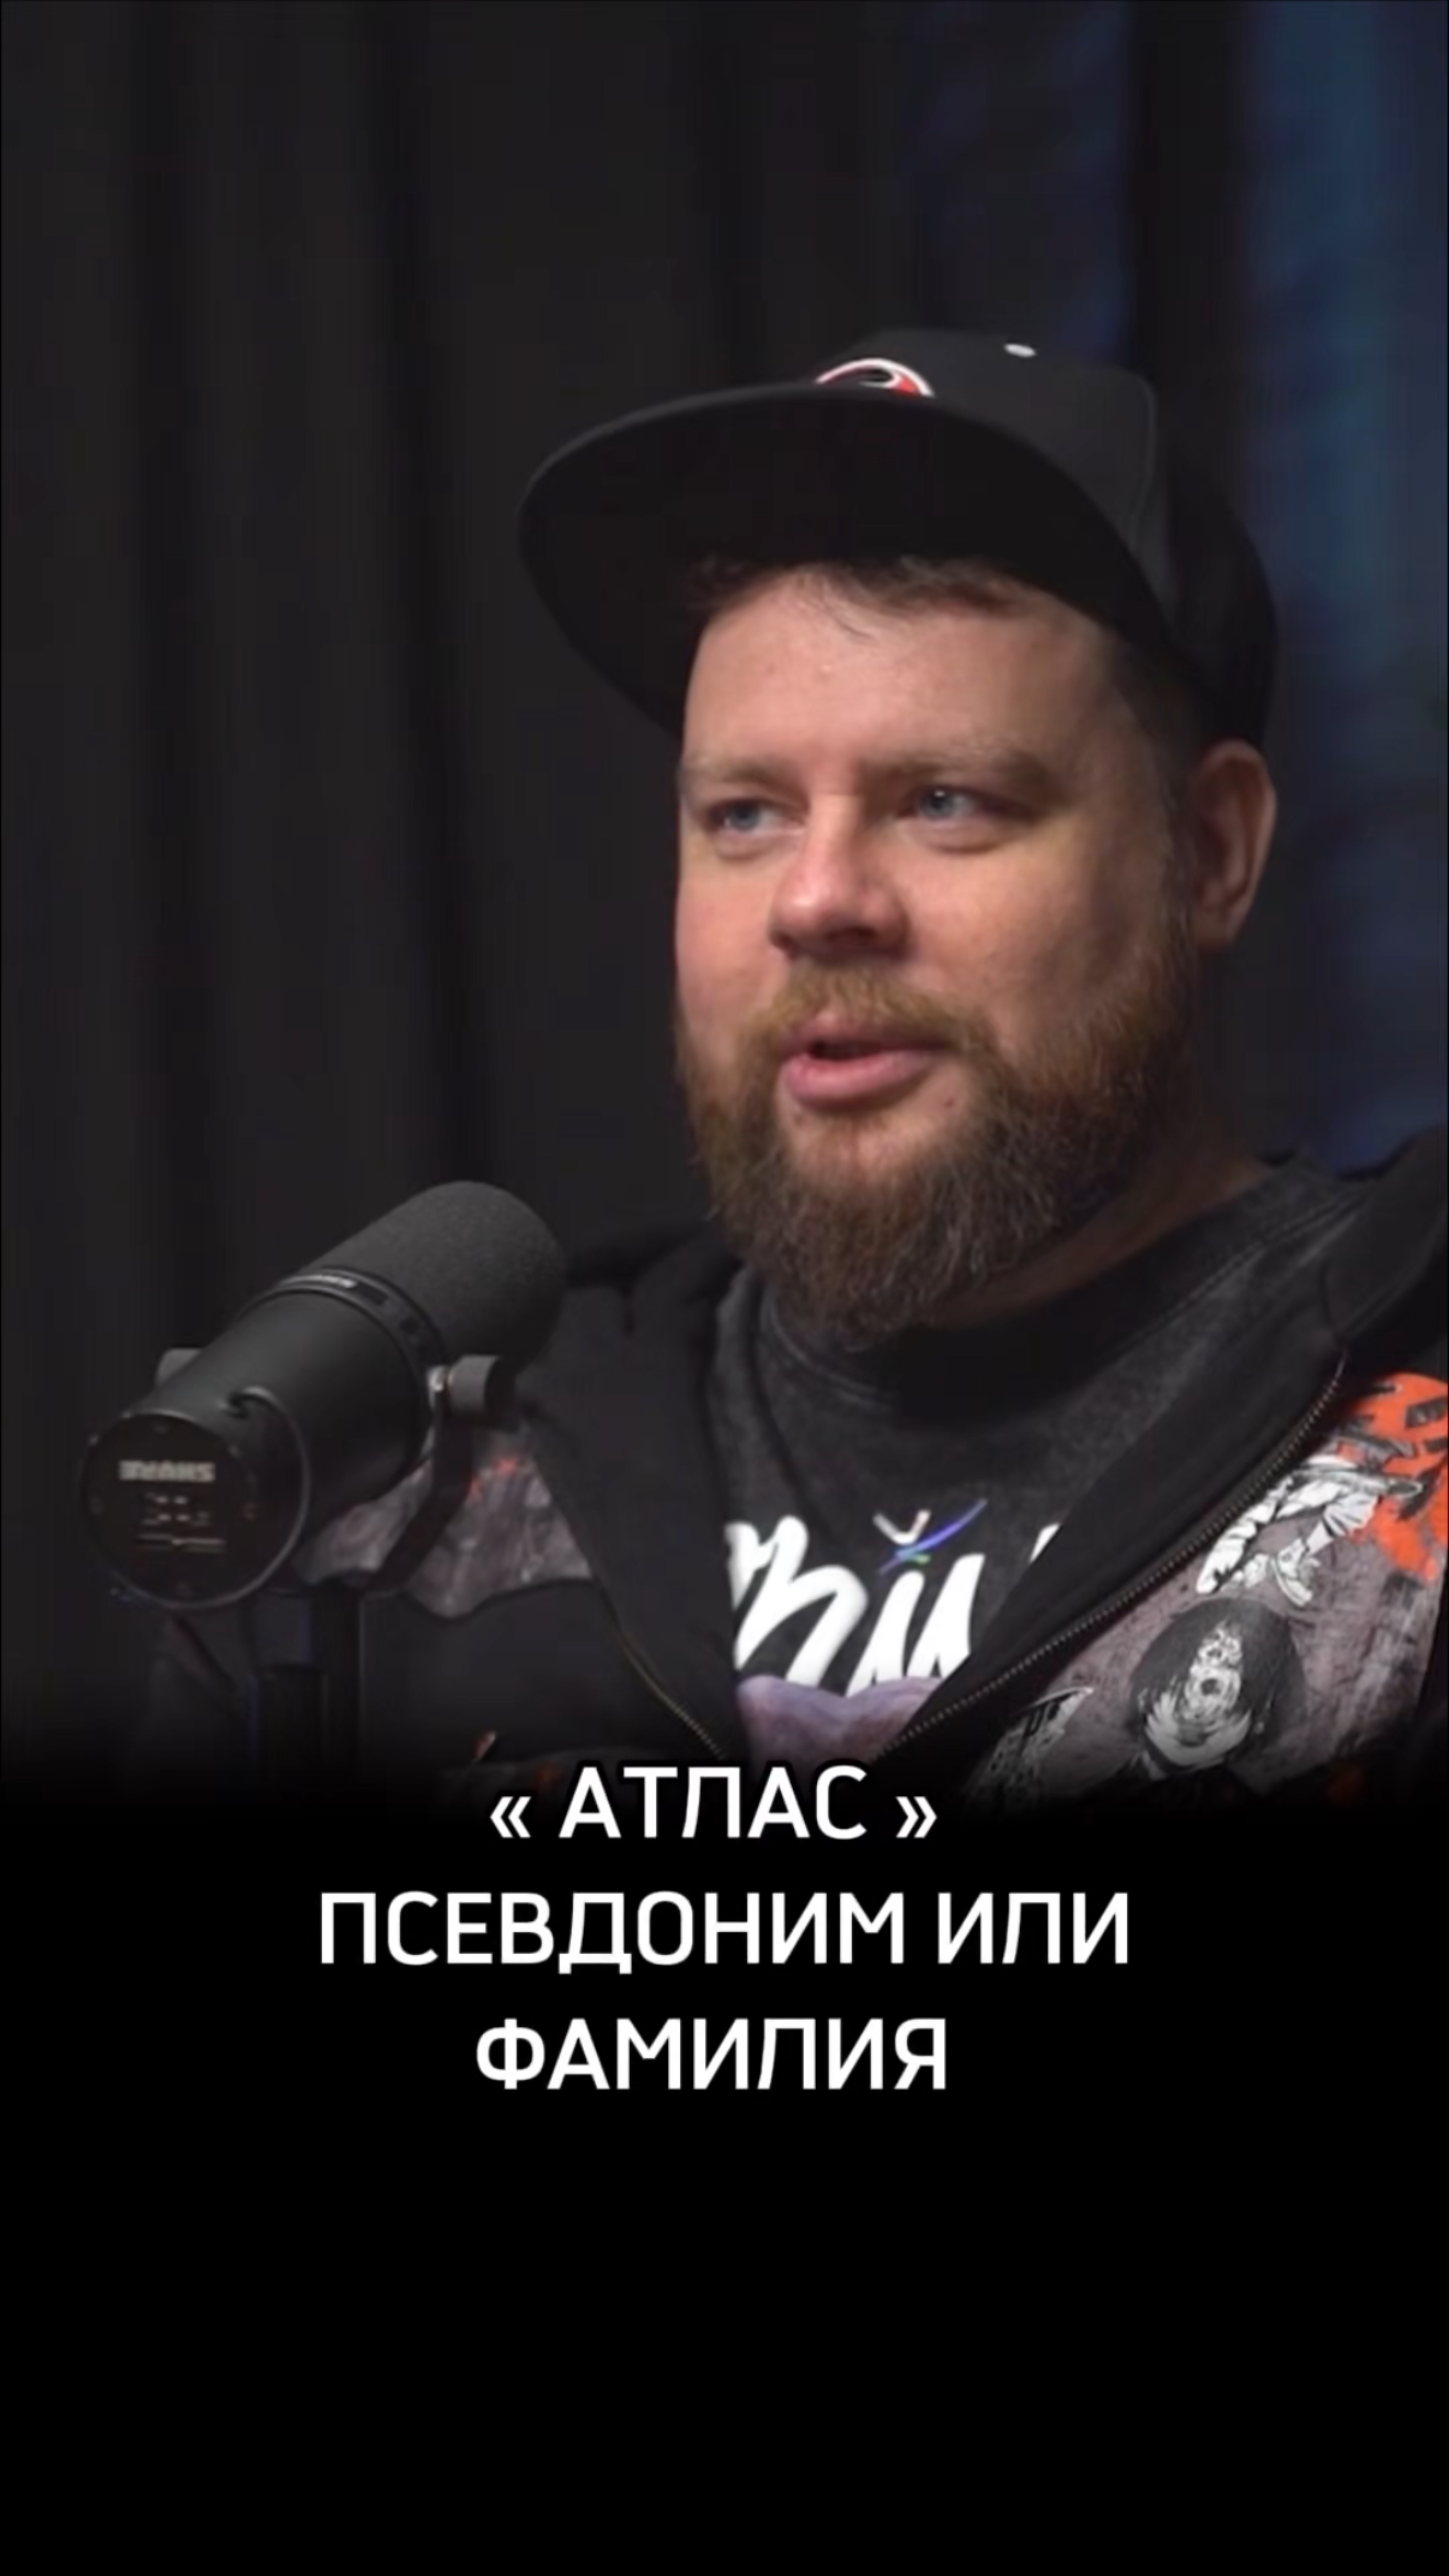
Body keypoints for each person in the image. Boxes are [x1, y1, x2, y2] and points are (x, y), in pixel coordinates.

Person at [142, 329, 1446, 1812]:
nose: (815, 901)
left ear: (1208, 853)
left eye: (944, 800)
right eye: (745, 815)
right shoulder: (385, 1523)